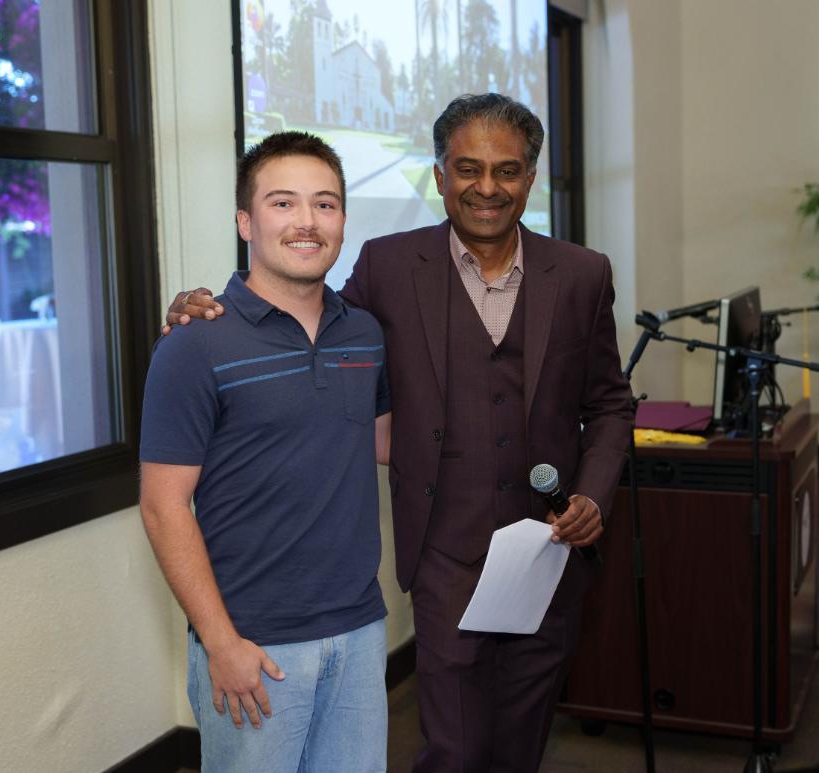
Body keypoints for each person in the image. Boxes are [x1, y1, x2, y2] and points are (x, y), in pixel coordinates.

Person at [167, 93, 634, 771]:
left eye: (506, 170)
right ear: (440, 175)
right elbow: (308, 320)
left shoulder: (583, 274)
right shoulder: (388, 267)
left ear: (530, 179)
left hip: (548, 554)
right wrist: (204, 309)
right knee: (454, 747)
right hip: (444, 554)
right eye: (468, 168)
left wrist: (593, 494)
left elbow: (611, 404)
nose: (487, 187)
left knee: (521, 744)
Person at [139, 131, 392, 772]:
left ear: (342, 221)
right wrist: (220, 643)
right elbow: (164, 507)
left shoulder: (364, 333)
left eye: (325, 204)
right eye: (283, 203)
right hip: (253, 643)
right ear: (246, 222)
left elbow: (386, 444)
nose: (307, 221)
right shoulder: (194, 344)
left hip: (360, 632)